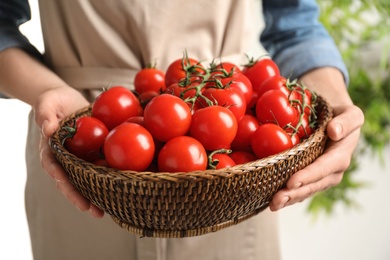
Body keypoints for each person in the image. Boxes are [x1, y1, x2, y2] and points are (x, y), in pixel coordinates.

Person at [0, 0, 364, 259]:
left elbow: (296, 26)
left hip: (231, 169)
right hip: (86, 143)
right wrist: (45, 90)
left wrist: (335, 109)